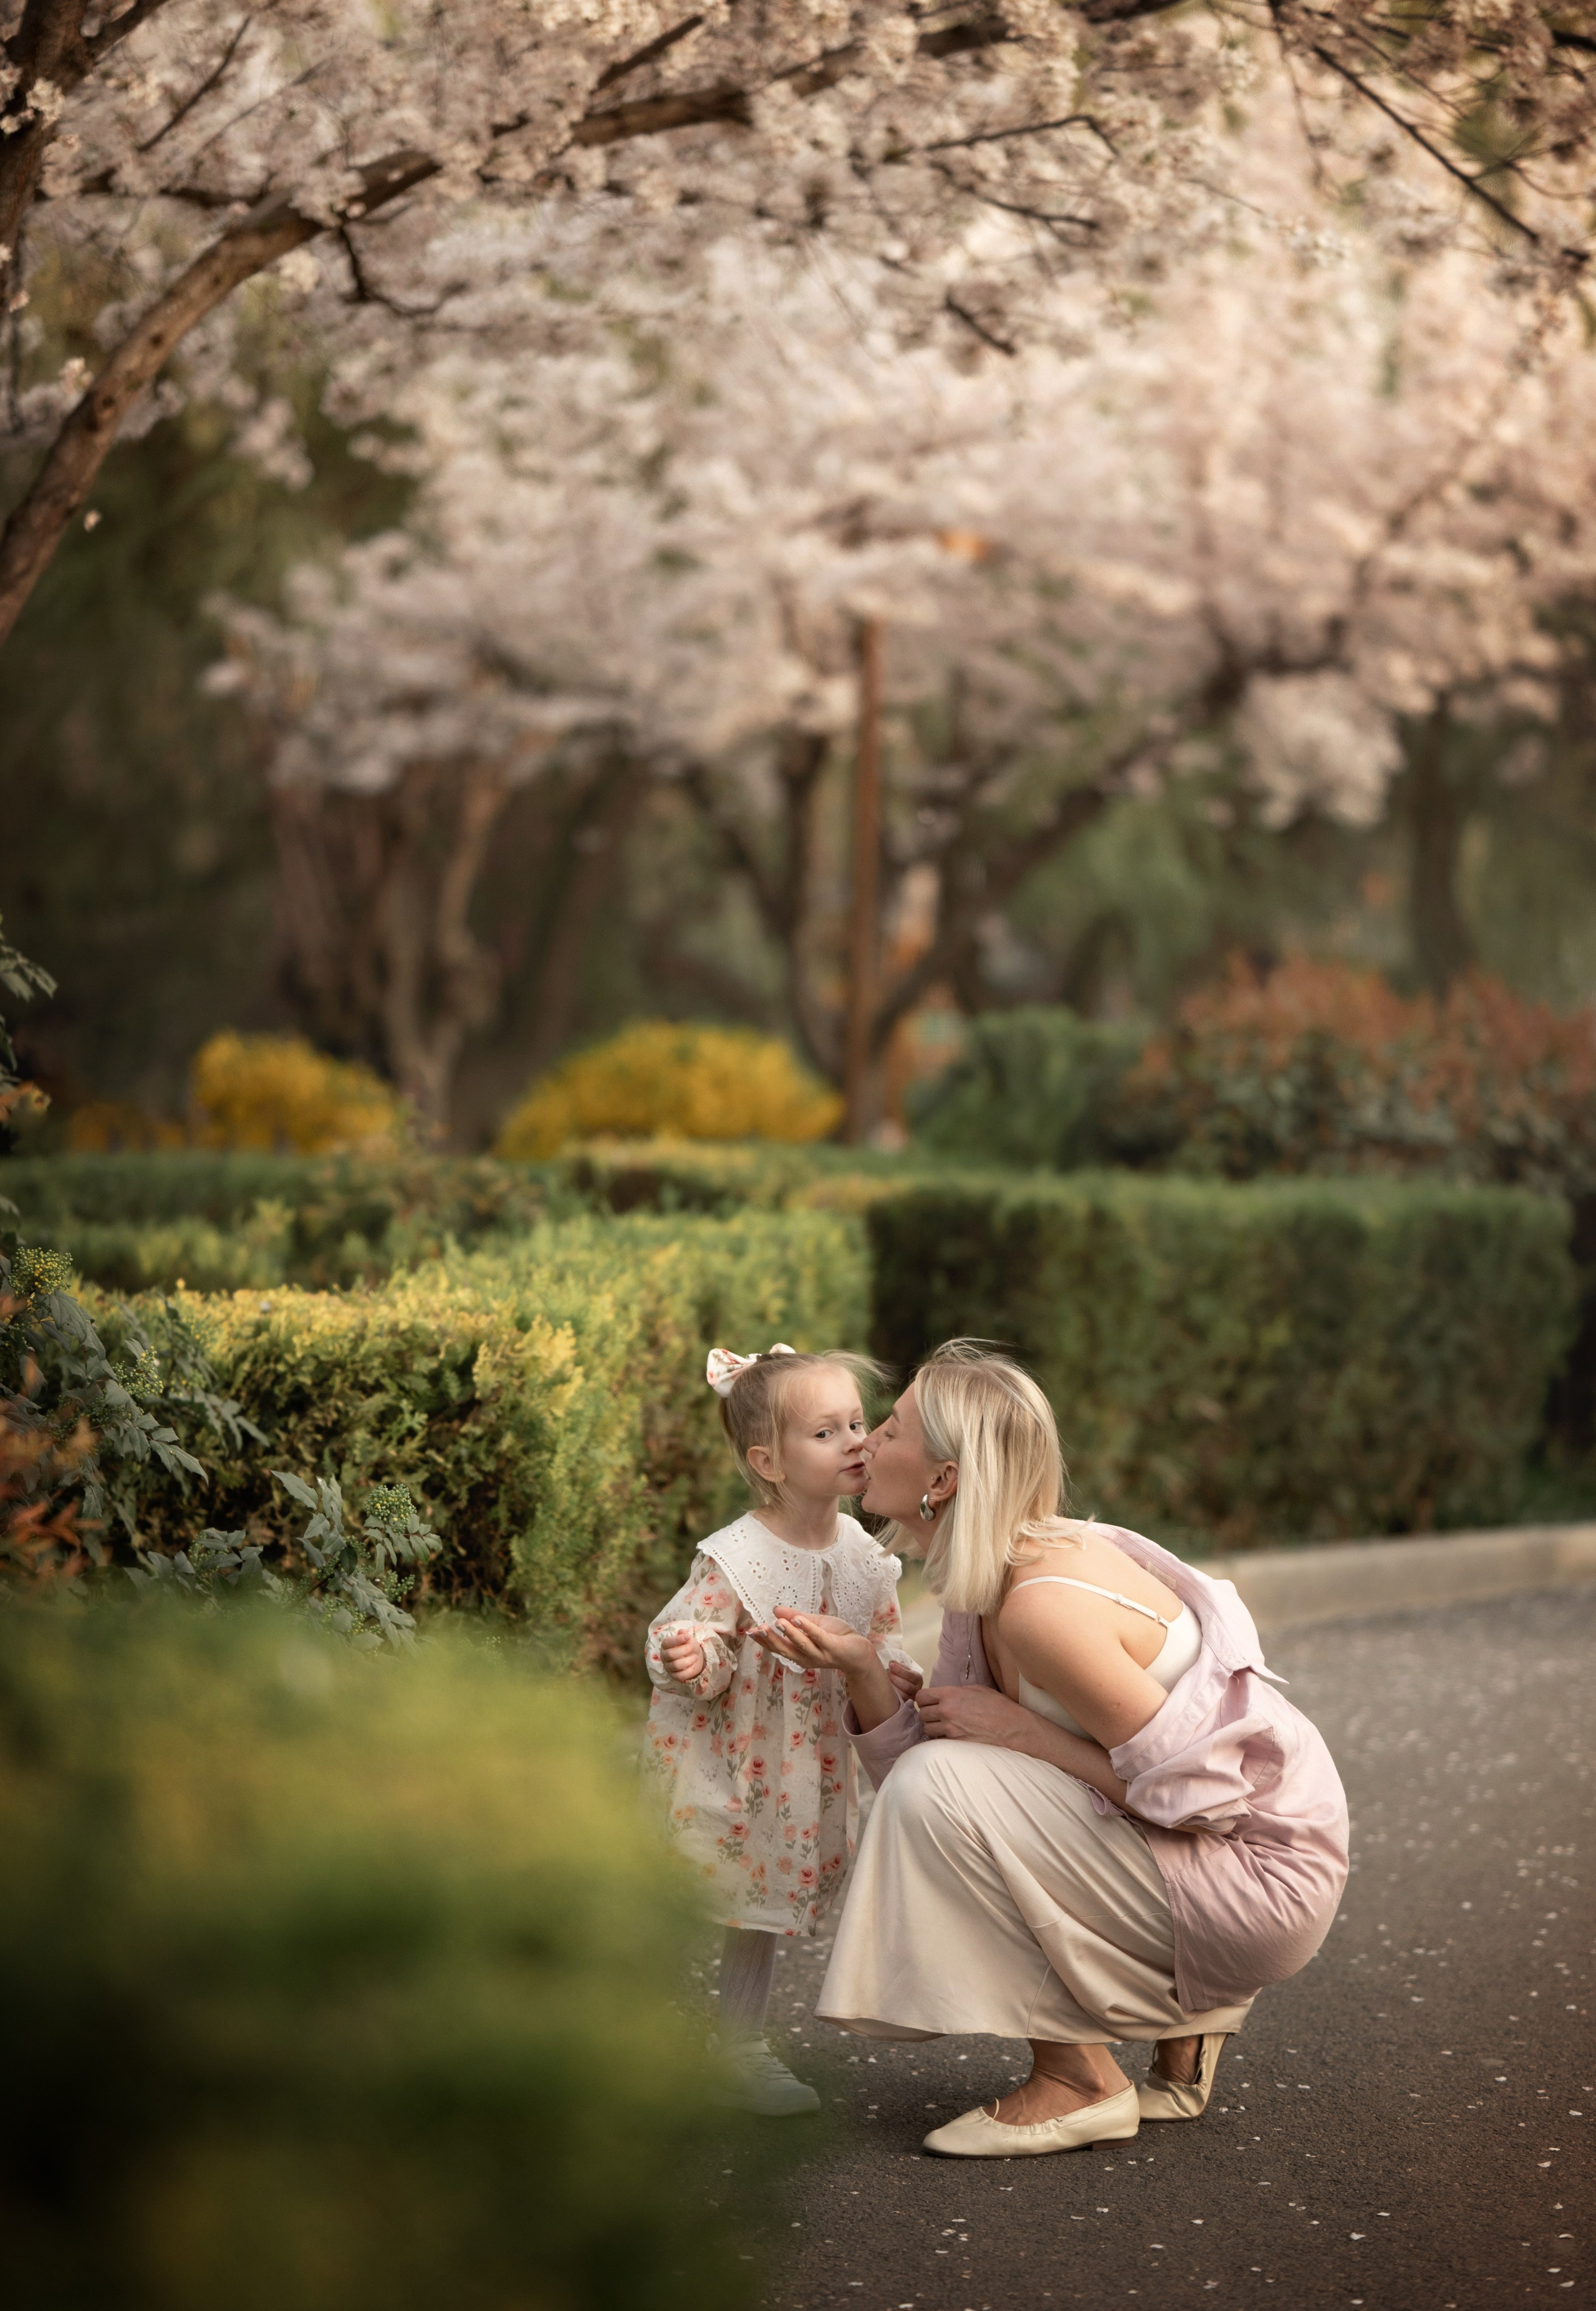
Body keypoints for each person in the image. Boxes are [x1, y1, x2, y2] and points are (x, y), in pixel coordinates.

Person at [756, 1340, 1349, 2160]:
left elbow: (1211, 1800)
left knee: (941, 1787)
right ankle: (1180, 2018)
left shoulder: (1042, 1607)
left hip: (1260, 1873)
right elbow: (942, 1786)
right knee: (938, 1785)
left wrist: (1026, 1732)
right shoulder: (991, 1568)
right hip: (1211, 1851)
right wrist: (862, 1665)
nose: (866, 1443)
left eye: (889, 1428)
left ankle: (1078, 2078)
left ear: (944, 1478)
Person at [643, 1342, 919, 2116]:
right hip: (730, 1755)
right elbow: (695, 1635)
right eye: (826, 1432)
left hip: (800, 1768)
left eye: (859, 1423)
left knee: (754, 1909)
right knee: (684, 1889)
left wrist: (892, 1669)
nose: (857, 1441)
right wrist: (693, 1657)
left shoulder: (865, 1553)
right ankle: (621, 2029)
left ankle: (739, 2046)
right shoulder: (737, 1556)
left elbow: (883, 1633)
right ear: (769, 1461)